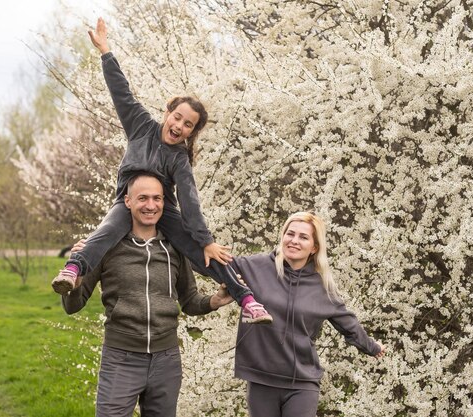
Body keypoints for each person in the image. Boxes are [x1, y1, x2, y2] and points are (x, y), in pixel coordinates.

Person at [52, 17, 271, 324]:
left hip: (163, 207)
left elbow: (190, 200)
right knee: (105, 233)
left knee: (204, 252)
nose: (179, 126)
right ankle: (74, 268)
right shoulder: (141, 126)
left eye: (188, 125)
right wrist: (106, 51)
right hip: (126, 202)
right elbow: (121, 92)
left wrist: (205, 240)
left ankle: (246, 298)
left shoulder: (179, 159)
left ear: (192, 132)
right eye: (177, 117)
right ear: (167, 113)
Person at [62, 173, 234, 417]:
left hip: (166, 361)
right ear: (127, 201)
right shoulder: (104, 246)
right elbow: (73, 306)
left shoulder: (175, 248)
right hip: (120, 358)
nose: (151, 205)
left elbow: (189, 300)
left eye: (157, 198)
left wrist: (213, 301)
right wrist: (76, 280)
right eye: (142, 198)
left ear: (164, 202)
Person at [230, 212, 385, 417]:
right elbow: (214, 264)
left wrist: (373, 347)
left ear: (314, 247)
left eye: (303, 237)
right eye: (290, 234)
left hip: (302, 383)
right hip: (262, 380)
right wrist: (202, 245)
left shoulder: (322, 287)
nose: (294, 241)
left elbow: (349, 325)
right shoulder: (256, 267)